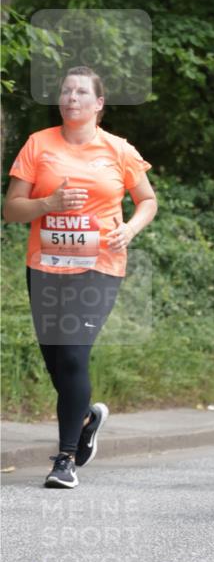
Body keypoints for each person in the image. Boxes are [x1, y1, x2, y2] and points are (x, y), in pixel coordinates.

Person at [3, 66, 157, 488]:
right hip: (46, 266)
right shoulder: (39, 145)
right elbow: (11, 208)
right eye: (66, 91)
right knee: (56, 360)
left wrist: (132, 227)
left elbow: (146, 199)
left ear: (98, 104)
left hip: (99, 265)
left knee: (72, 355)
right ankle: (86, 417)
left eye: (81, 92)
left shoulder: (119, 150)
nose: (72, 98)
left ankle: (65, 458)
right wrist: (47, 202)